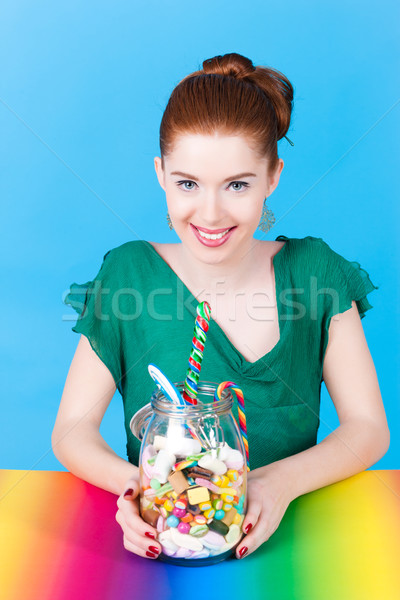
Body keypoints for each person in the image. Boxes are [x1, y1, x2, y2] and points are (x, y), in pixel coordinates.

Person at [52, 52, 390, 561]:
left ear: (272, 176)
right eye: (188, 183)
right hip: (167, 546)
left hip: (303, 547)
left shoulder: (316, 274)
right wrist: (140, 489)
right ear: (160, 174)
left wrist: (276, 485)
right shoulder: (128, 277)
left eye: (237, 184)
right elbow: (71, 433)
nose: (210, 213)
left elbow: (367, 428)